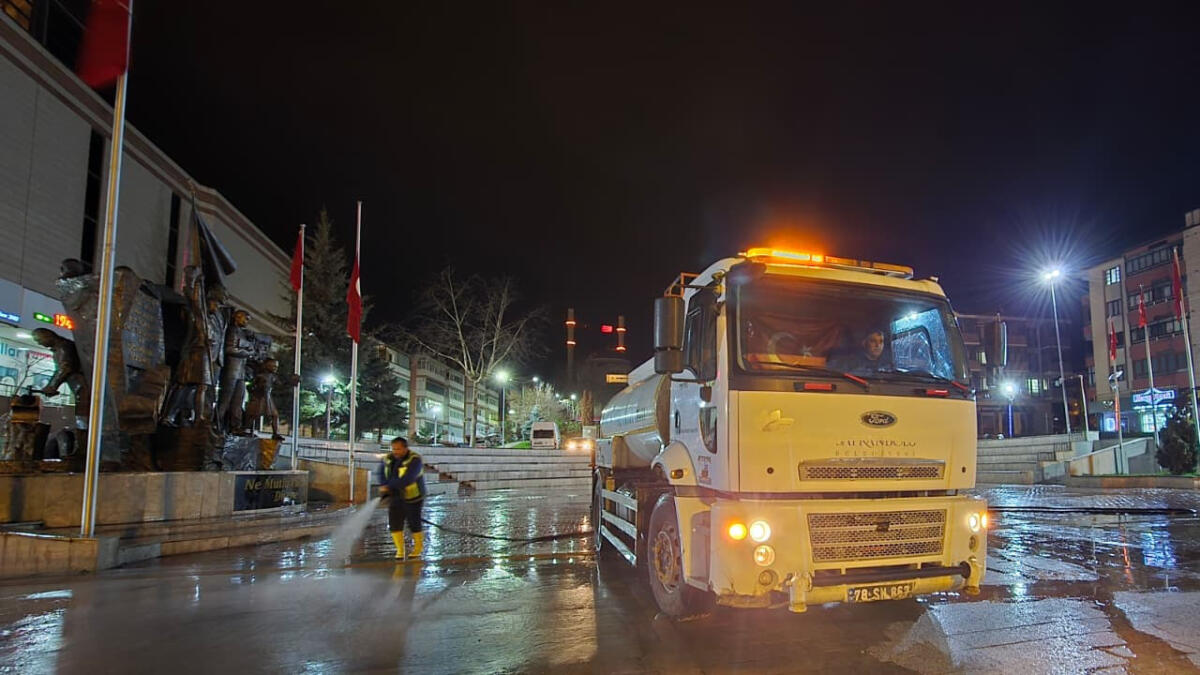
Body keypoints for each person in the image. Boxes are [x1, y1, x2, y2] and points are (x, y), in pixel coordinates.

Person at [378, 437, 427, 560]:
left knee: (414, 522)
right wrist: (384, 485)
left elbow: (409, 478)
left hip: (413, 496)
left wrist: (389, 486)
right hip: (395, 496)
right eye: (394, 448)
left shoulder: (415, 459)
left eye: (398, 449)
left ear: (405, 448)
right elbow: (381, 473)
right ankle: (400, 550)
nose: (396, 451)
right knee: (394, 522)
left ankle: (418, 548)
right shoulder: (388, 459)